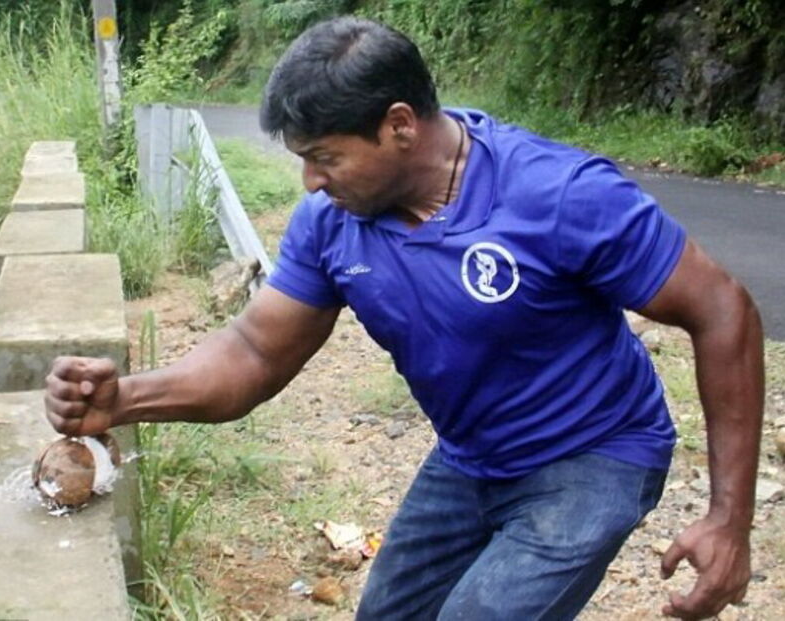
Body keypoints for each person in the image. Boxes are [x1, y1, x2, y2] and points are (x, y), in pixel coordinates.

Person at [44, 16, 764, 621]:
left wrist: (729, 519)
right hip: (472, 454)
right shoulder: (333, 223)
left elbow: (723, 309)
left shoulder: (557, 194)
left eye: (325, 157)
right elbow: (255, 354)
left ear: (398, 126)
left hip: (594, 453)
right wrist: (127, 398)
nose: (310, 182)